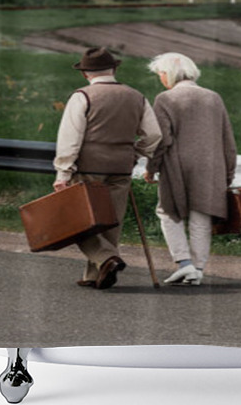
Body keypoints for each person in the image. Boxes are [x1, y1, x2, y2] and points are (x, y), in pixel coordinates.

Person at [53, 46, 161, 290]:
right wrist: (136, 153)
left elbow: (70, 139)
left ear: (85, 74)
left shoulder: (83, 96)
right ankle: (94, 274)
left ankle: (105, 259)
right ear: (114, 69)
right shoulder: (136, 96)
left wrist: (63, 172)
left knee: (78, 222)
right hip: (121, 168)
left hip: (88, 167)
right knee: (110, 221)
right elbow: (154, 135)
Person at [144, 52, 237, 286]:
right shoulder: (213, 98)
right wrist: (228, 173)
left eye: (161, 74)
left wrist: (151, 168)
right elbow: (227, 140)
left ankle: (184, 264)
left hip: (177, 167)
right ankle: (197, 268)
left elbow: (162, 139)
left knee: (168, 211)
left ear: (169, 74)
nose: (161, 78)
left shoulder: (166, 99)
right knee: (201, 216)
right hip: (211, 167)